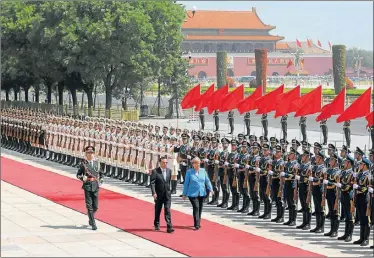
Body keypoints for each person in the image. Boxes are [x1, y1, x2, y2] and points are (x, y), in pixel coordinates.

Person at [76, 146, 103, 230]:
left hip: (95, 184)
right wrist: (81, 178)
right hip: (87, 185)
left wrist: (101, 180)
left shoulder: (97, 163)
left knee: (96, 206)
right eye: (88, 153)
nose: (90, 154)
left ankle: (90, 217)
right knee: (89, 205)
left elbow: (101, 174)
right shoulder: (83, 164)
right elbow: (78, 174)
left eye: (91, 153)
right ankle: (93, 222)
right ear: (86, 154)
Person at [182, 157, 213, 230]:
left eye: (199, 163)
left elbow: (207, 181)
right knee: (196, 207)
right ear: (193, 164)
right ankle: (197, 224)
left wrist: (211, 189)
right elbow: (186, 183)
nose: (198, 164)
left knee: (200, 208)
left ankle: (198, 222)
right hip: (192, 193)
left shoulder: (203, 171)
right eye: (196, 163)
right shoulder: (189, 172)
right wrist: (184, 194)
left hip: (202, 192)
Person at [150, 156, 174, 233]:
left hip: (167, 195)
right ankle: (156, 224)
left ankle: (169, 226)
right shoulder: (155, 171)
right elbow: (152, 183)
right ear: (160, 163)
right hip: (158, 195)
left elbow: (168, 182)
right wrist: (154, 193)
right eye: (163, 162)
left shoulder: (169, 171)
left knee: (167, 210)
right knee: (158, 210)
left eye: (166, 162)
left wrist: (169, 191)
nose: (165, 164)